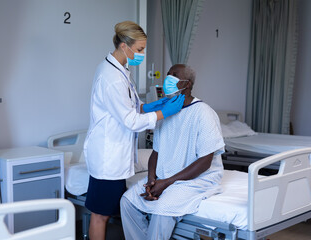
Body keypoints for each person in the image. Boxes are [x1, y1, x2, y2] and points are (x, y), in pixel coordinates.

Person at [83, 21, 185, 240]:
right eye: (139, 49)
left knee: (105, 213)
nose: (142, 54)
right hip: (107, 158)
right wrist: (164, 113)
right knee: (100, 216)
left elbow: (129, 107)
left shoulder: (121, 71)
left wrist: (150, 107)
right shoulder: (110, 77)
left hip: (115, 156)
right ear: (123, 46)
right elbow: (130, 120)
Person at [120, 64, 225, 240]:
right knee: (127, 202)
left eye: (174, 75)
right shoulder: (166, 113)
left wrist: (167, 182)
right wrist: (152, 179)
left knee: (163, 208)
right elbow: (156, 152)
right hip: (165, 176)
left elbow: (205, 162)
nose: (168, 79)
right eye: (167, 74)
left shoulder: (203, 113)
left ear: (188, 84)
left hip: (196, 180)